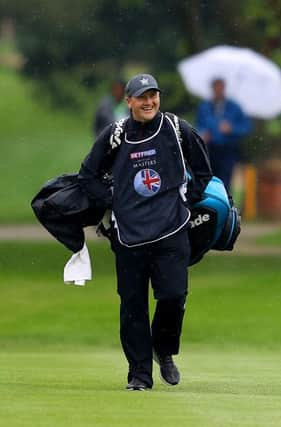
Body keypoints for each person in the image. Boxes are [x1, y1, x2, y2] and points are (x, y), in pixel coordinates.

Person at [78, 73, 213, 391]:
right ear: (128, 102)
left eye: (153, 95)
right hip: (128, 236)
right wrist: (114, 201)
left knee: (173, 296)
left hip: (172, 231)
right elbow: (88, 175)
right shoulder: (116, 134)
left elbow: (204, 171)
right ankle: (139, 374)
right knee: (133, 306)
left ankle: (163, 350)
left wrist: (186, 205)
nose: (149, 101)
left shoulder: (177, 129)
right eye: (141, 96)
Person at [195, 78, 252, 193]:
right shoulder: (204, 107)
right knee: (209, 181)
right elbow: (198, 125)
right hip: (209, 150)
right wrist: (202, 134)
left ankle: (226, 207)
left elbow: (246, 127)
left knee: (225, 183)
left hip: (228, 151)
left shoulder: (234, 107)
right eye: (216, 87)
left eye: (220, 87)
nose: (218, 90)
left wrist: (232, 129)